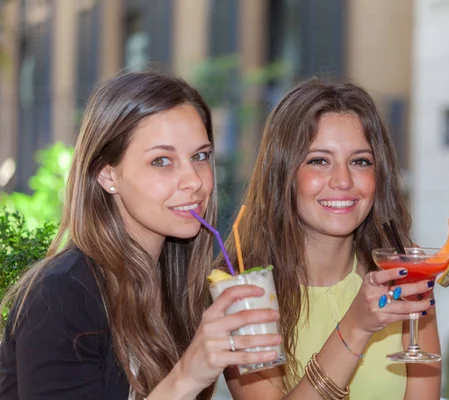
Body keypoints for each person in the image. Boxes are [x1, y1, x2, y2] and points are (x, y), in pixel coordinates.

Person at [0, 71, 281, 400]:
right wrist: (188, 375)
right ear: (108, 174)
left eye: (200, 156)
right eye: (162, 161)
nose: (194, 180)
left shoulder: (181, 286)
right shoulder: (61, 293)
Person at [219, 78, 441, 400]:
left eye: (360, 161)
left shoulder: (403, 273)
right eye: (319, 161)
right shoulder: (243, 295)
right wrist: (356, 326)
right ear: (283, 173)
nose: (343, 181)